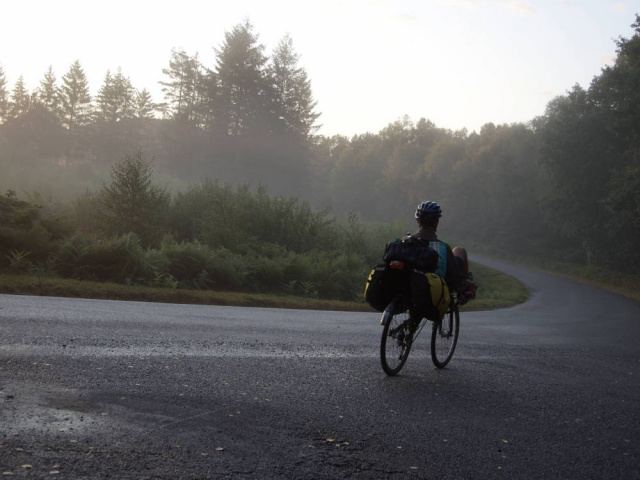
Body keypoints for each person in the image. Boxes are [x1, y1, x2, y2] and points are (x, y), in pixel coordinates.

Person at [410, 201, 476, 305]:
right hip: (438, 288)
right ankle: (463, 292)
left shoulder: (406, 241)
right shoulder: (443, 247)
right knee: (459, 250)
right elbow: (454, 275)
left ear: (418, 220)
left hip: (412, 285)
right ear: (436, 222)